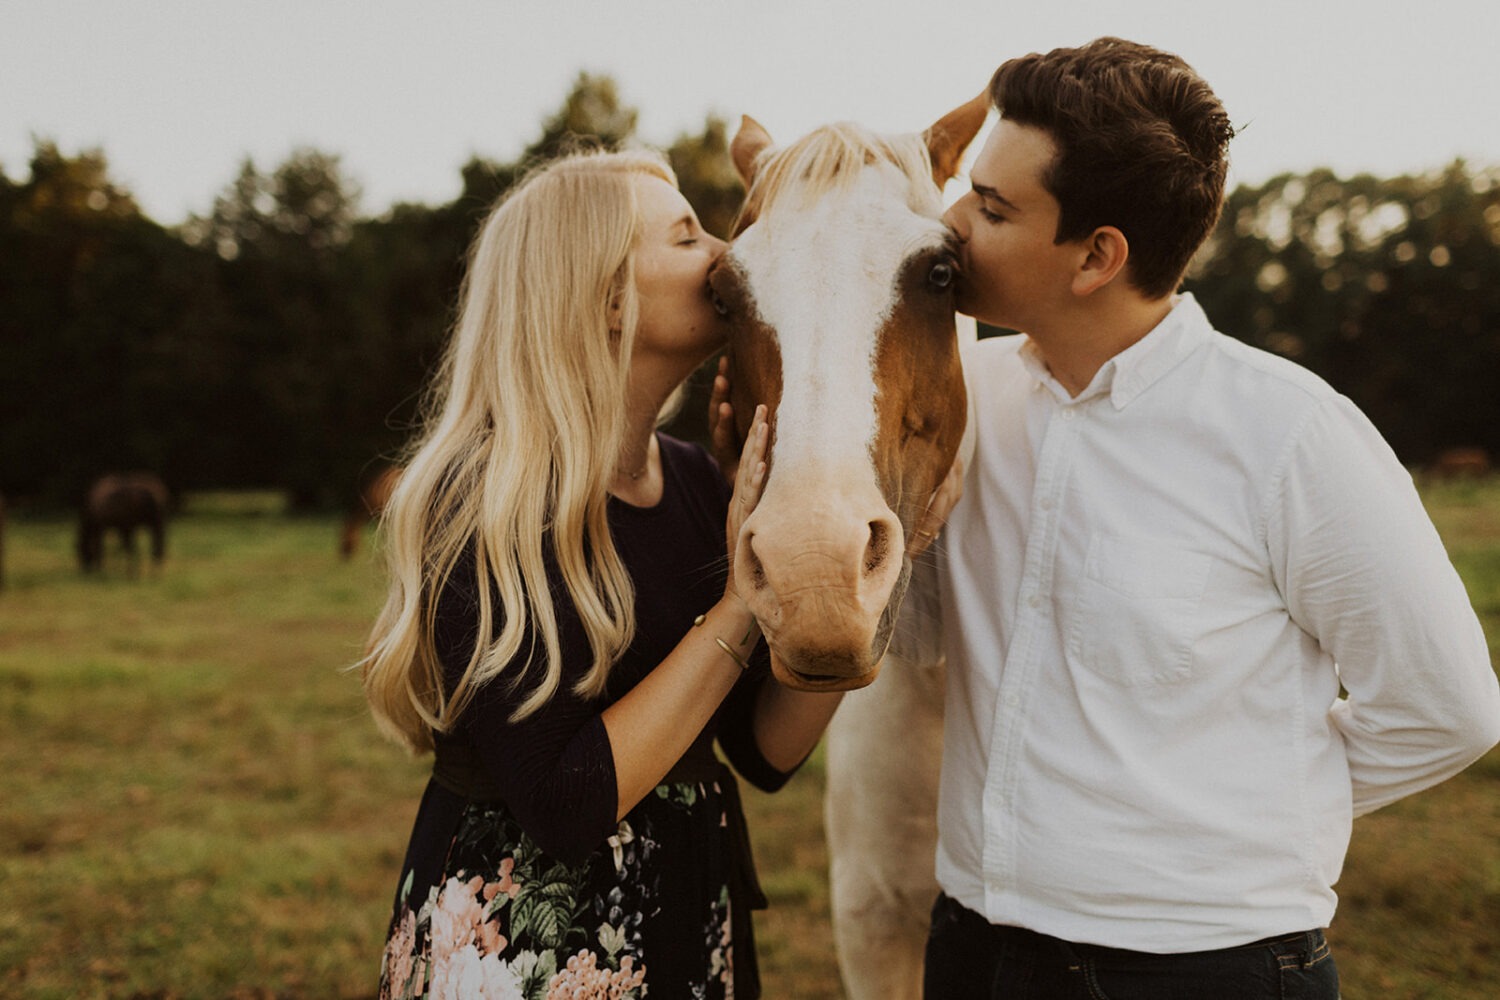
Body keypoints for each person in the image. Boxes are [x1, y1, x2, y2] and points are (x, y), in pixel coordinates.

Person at [927, 37, 1500, 999]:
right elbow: (909, 638)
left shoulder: (1289, 436)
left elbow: (1448, 710)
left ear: (1098, 256)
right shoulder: (960, 403)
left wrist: (1238, 820)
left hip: (1205, 971)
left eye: (990, 207)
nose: (950, 224)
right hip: (973, 950)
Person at [360, 148, 844, 1000]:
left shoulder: (695, 478)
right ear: (607, 296)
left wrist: (864, 581)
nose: (727, 253)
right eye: (688, 235)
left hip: (687, 920)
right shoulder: (482, 503)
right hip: (527, 949)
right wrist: (740, 606)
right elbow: (563, 802)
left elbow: (763, 751)